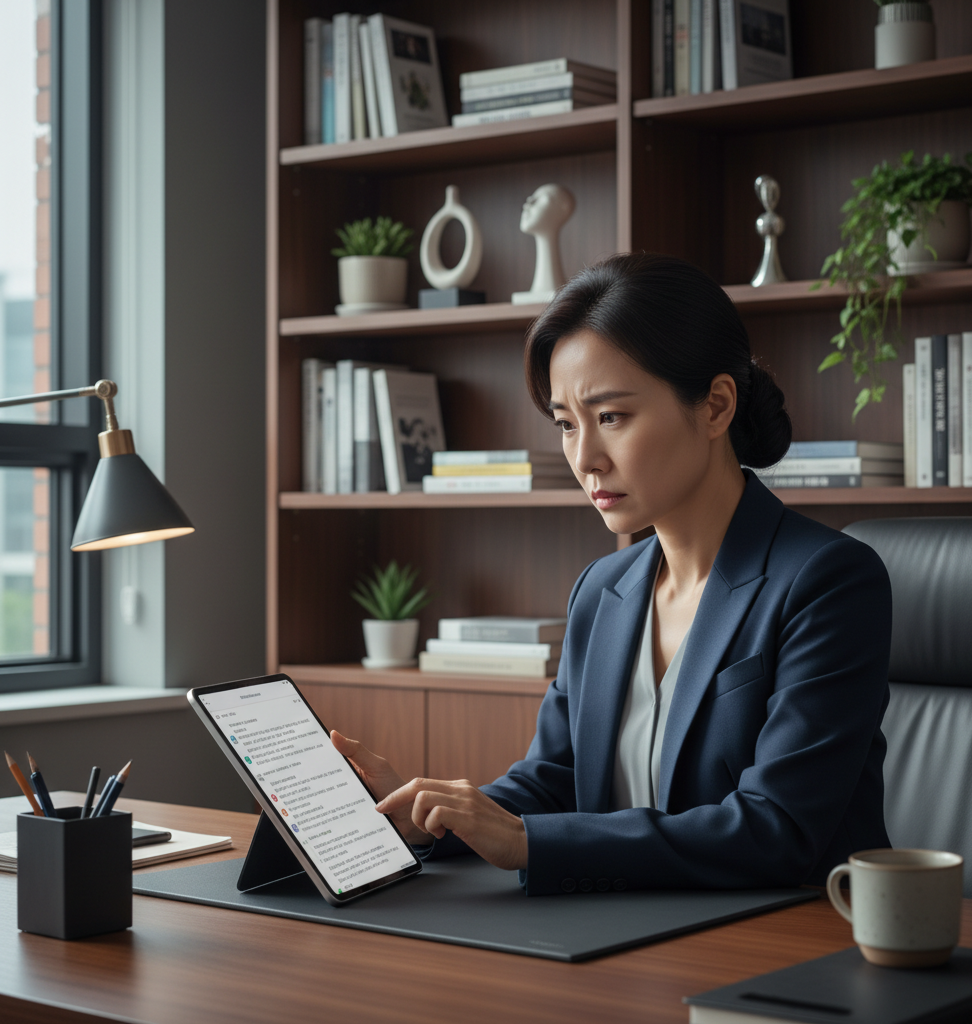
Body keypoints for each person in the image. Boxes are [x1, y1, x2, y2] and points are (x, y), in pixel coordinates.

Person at [332, 253, 892, 895]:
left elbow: (777, 828)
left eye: (611, 417)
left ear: (715, 407)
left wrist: (526, 842)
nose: (585, 458)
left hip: (783, 936)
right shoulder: (602, 589)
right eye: (566, 425)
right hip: (618, 926)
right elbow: (553, 782)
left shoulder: (828, 581)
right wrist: (431, 817)